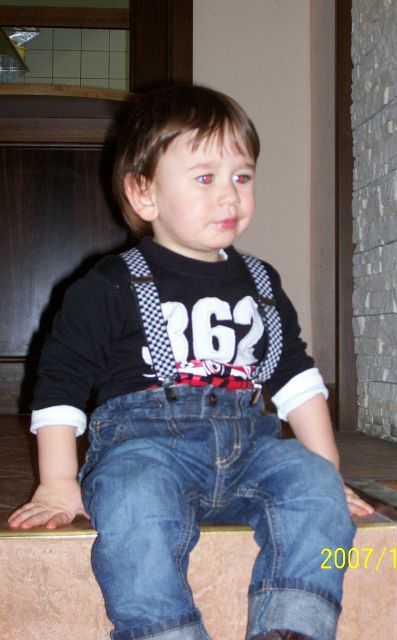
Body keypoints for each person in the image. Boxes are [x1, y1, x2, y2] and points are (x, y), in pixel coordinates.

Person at [8, 84, 373, 640]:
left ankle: (292, 626)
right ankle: (165, 630)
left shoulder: (262, 282)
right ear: (144, 194)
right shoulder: (108, 285)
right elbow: (61, 385)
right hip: (146, 450)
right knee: (134, 503)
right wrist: (58, 482)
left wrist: (329, 472)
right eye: (205, 178)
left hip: (250, 450)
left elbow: (295, 377)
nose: (229, 196)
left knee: (312, 488)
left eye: (242, 177)